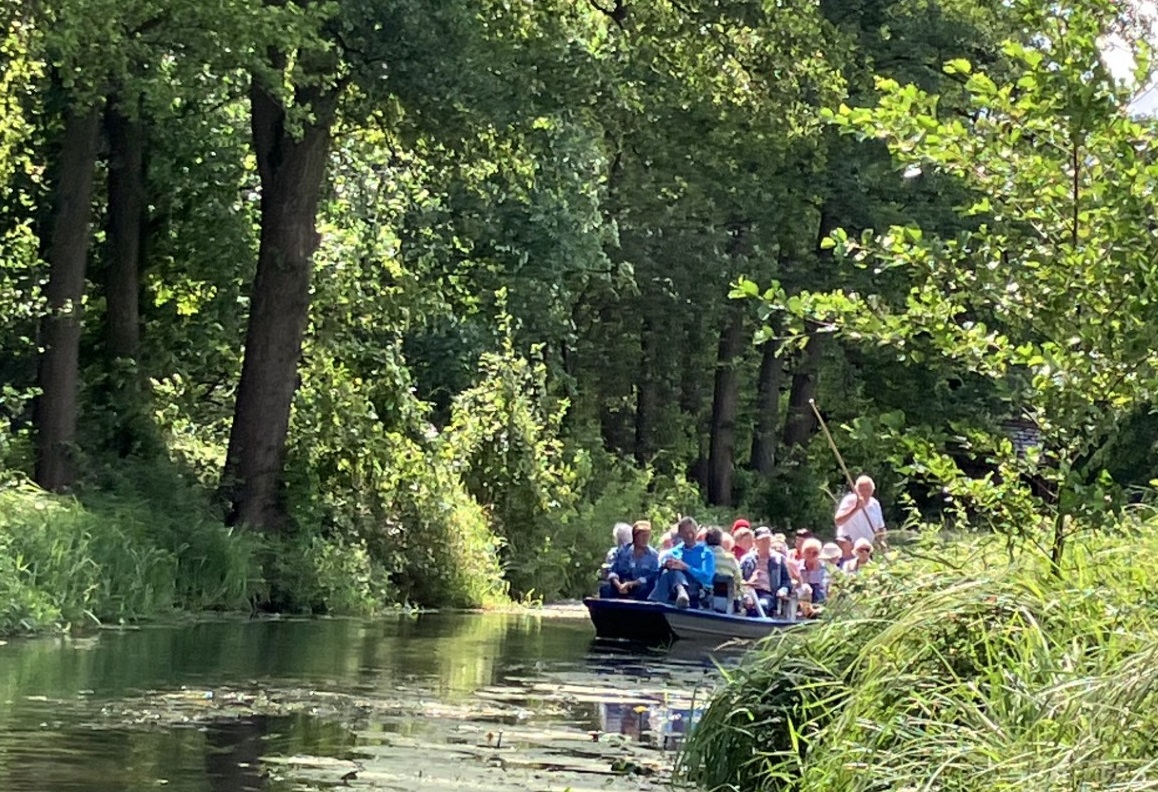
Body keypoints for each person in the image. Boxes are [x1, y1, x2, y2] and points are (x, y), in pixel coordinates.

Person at [649, 516, 715, 608]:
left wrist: (686, 567)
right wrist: (666, 565)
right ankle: (680, 592)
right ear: (680, 534)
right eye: (685, 533)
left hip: (699, 589)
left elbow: (707, 577)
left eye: (691, 532)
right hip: (673, 590)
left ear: (696, 531)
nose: (689, 536)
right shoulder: (674, 551)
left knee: (673, 572)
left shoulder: (706, 553)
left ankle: (655, 601)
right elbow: (661, 567)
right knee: (669, 571)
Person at [740, 527, 792, 617]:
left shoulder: (779, 559)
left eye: (768, 540)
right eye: (762, 541)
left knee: (762, 605)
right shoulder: (746, 559)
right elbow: (739, 579)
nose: (766, 543)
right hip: (749, 591)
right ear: (755, 542)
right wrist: (747, 591)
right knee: (747, 604)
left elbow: (786, 581)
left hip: (768, 593)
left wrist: (784, 590)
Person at [601, 521, 660, 599]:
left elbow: (653, 575)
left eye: (647, 536)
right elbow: (613, 570)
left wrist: (633, 583)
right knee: (605, 589)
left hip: (641, 588)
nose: (645, 539)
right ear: (635, 536)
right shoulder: (622, 551)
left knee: (648, 590)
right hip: (621, 585)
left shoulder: (653, 555)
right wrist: (619, 585)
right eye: (642, 536)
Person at [834, 475, 886, 548]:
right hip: (848, 547)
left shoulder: (875, 504)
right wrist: (855, 508)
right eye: (861, 490)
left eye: (868, 490)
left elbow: (880, 527)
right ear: (856, 490)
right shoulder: (849, 500)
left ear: (872, 491)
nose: (864, 493)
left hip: (866, 548)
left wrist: (881, 540)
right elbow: (838, 521)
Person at [796, 538, 830, 613]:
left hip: (821, 603)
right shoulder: (797, 567)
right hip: (801, 603)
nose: (811, 555)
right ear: (803, 553)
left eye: (815, 553)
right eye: (808, 552)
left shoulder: (826, 569)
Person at [705, 527, 743, 592]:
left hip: (705, 597)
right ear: (720, 541)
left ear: (705, 540)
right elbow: (738, 579)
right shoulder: (730, 559)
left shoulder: (701, 557)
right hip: (728, 598)